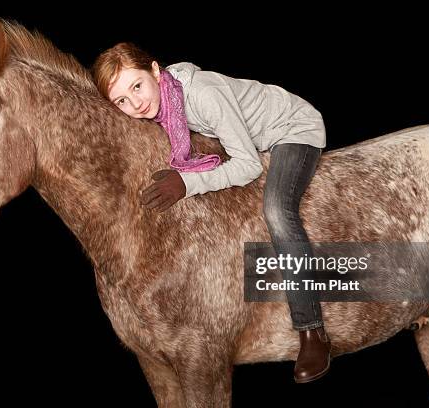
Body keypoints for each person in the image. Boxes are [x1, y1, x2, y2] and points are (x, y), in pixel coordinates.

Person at [91, 43, 331, 383]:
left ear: (156, 72)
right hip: (256, 136)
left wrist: (187, 185)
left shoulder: (202, 95)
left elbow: (246, 165)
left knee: (277, 211)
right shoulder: (165, 106)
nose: (136, 103)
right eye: (122, 101)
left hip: (291, 129)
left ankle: (312, 331)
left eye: (137, 86)